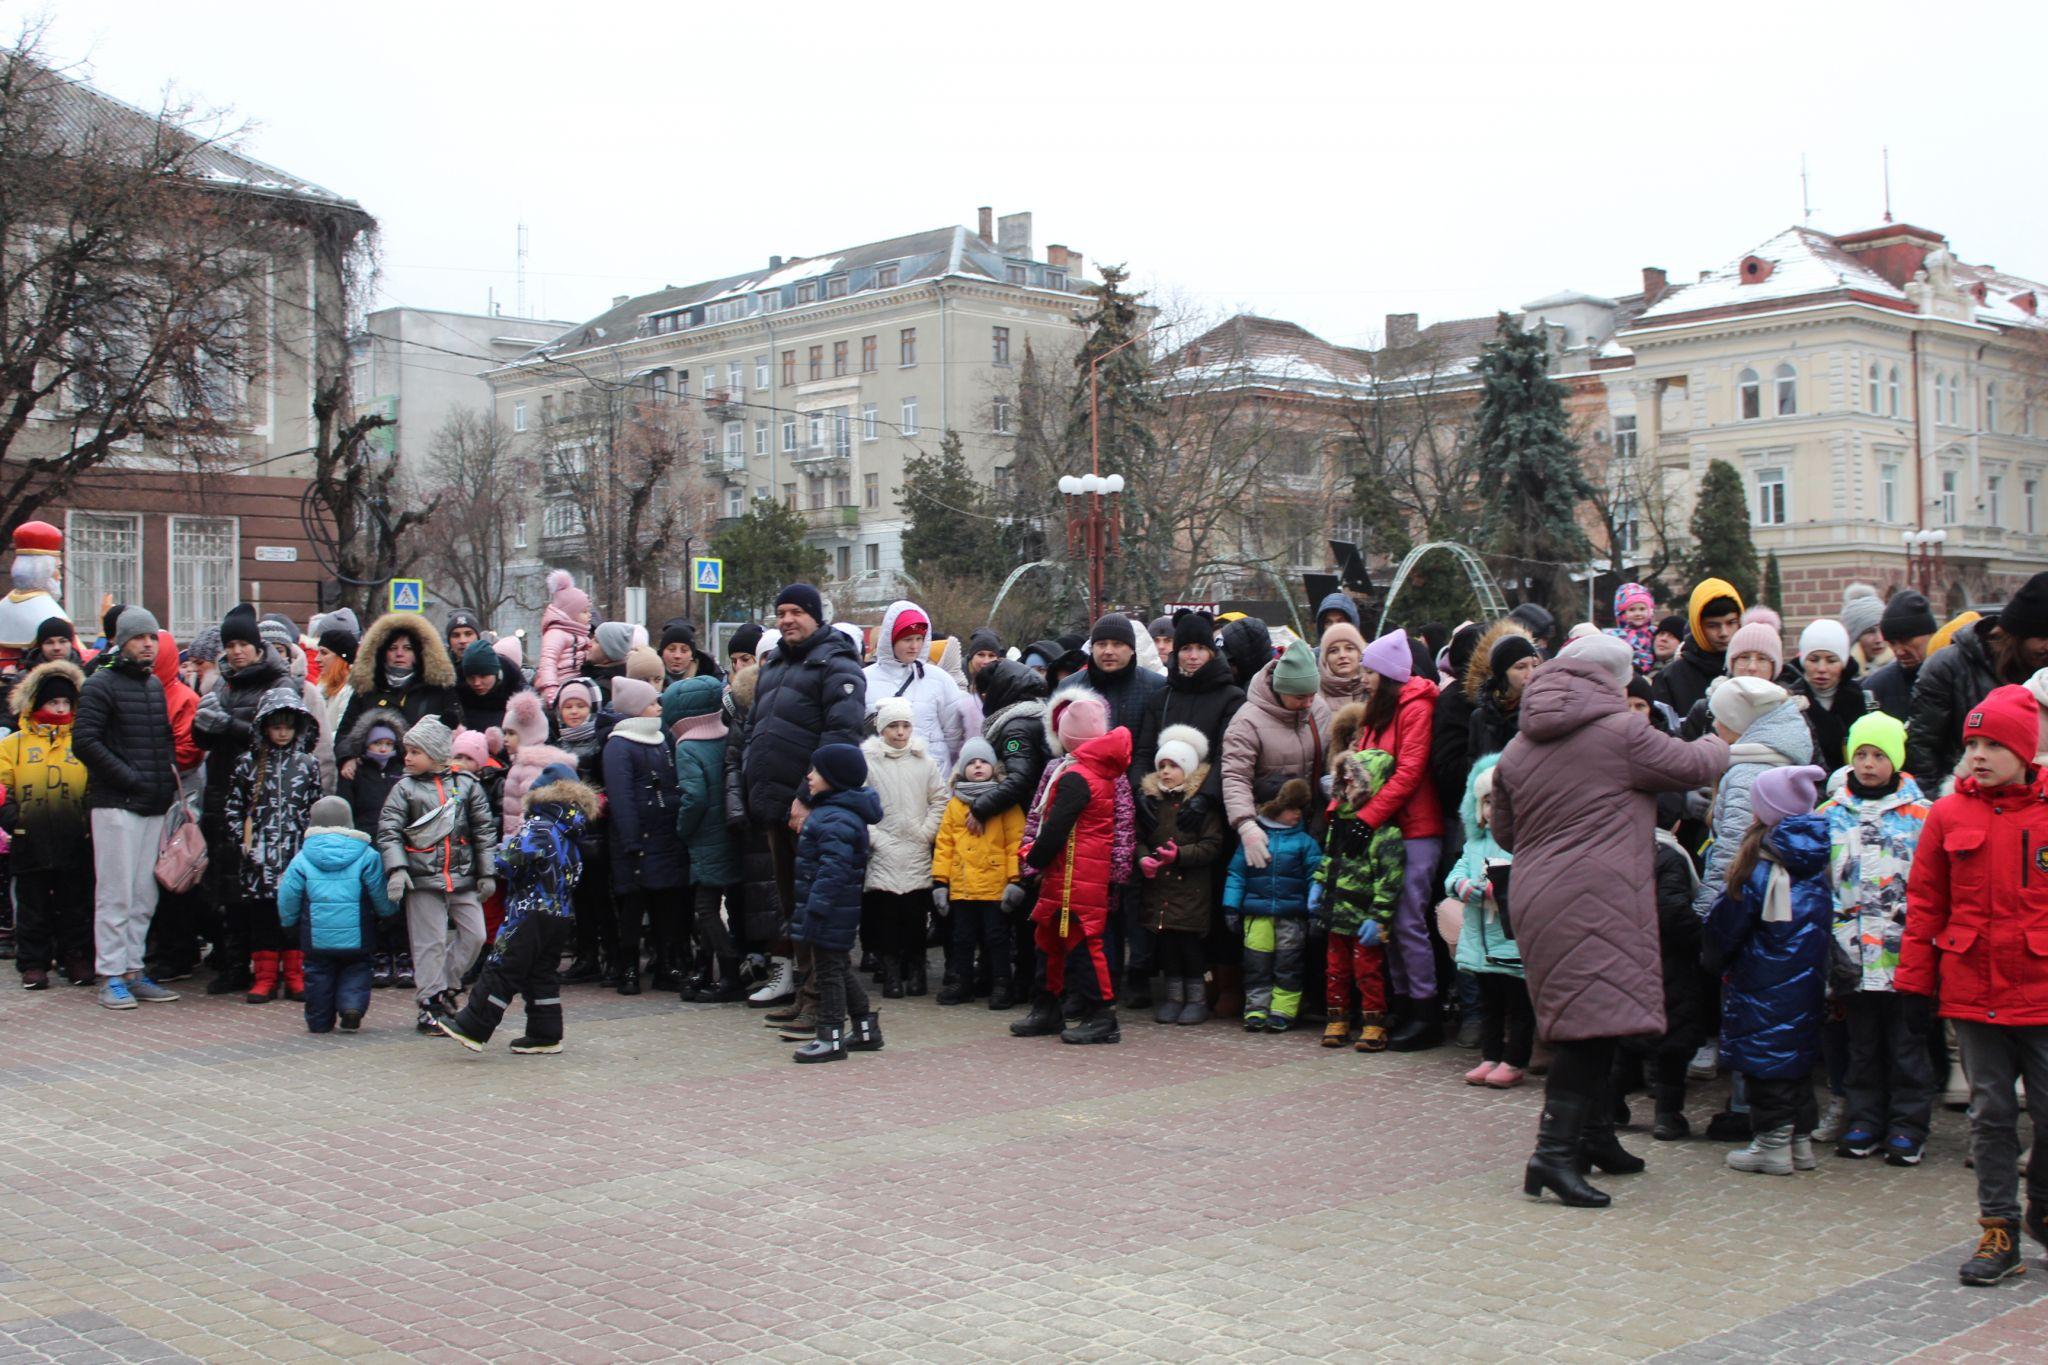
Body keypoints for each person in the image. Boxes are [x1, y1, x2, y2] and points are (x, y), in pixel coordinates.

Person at [1492, 633, 1730, 1209]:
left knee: (1593, 1020)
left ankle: (1594, 1138)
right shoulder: (1622, 733)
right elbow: (1693, 764)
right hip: (1595, 896)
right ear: (1613, 680)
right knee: (1588, 1033)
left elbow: (1504, 832)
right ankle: (1552, 1157)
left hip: (1537, 894)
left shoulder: (1518, 747)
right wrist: (1731, 735)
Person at [1895, 685, 2048, 1284]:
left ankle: (2042, 1206)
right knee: (1991, 1114)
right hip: (1974, 991)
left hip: (2040, 989)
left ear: (2025, 750)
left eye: (1992, 744)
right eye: (1971, 743)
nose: (1978, 755)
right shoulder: (1949, 815)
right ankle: (1998, 1230)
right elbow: (1926, 902)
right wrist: (1913, 984)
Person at [742, 585, 867, 1030]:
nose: (787, 619)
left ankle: (822, 1001)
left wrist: (807, 797)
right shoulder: (774, 662)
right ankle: (805, 990)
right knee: (793, 906)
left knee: (818, 907)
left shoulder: (837, 663)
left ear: (816, 616)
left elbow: (840, 736)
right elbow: (756, 727)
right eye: (781, 612)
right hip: (775, 805)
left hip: (811, 808)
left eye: (796, 611)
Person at [1706, 764, 1832, 1177]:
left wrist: (1711, 955)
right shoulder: (1812, 865)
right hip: (1807, 980)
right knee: (1795, 1058)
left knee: (1766, 1060)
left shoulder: (1762, 868)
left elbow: (1728, 925)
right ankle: (1798, 1142)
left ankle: (1772, 1144)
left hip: (1763, 980)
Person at [1819, 712, 1933, 1163]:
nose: (1868, 764)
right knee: (1861, 1045)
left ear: (1897, 759)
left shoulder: (1923, 815)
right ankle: (1864, 1119)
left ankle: (1908, 1125)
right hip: (1850, 955)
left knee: (1907, 1045)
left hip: (1903, 953)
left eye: (1879, 755)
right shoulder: (1829, 815)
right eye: (1860, 754)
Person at [438, 763, 596, 1055]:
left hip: (530, 910)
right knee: (541, 972)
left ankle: (473, 1025)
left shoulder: (539, 827)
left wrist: (496, 853)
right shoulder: (572, 833)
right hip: (560, 913)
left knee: (503, 967)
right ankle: (545, 1033)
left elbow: (512, 861)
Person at [1337, 629, 1445, 1049]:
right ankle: (1403, 1004)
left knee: (1406, 920)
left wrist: (1367, 817)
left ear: (1387, 673)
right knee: (1388, 922)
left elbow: (1409, 771)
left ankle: (1425, 1010)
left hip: (1416, 827)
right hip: (1384, 826)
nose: (1363, 678)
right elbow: (1358, 768)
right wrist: (1342, 814)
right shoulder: (1376, 712)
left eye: (1369, 671)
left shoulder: (1416, 707)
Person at [73, 607, 181, 1011]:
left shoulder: (153, 686)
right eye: (140, 638)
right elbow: (84, 742)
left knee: (142, 893)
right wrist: (130, 777)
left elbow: (163, 740)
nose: (148, 644)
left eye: (152, 637)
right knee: (115, 893)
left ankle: (133, 969)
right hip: (116, 803)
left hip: (151, 803)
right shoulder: (101, 684)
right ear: (122, 641)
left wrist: (163, 782)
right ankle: (111, 975)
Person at [1009, 710, 1133, 1046]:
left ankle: (1102, 1014)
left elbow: (1055, 830)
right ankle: (1047, 1005)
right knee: (1049, 940)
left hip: (1076, 875)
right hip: (1071, 872)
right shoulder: (1094, 771)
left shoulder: (1077, 776)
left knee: (1085, 944)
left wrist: (1031, 858)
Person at [377, 715, 498, 1033]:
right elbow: (389, 832)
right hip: (422, 879)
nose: (407, 758)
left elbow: (483, 832)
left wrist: (487, 873)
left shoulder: (467, 785)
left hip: (462, 876)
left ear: (434, 753)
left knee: (476, 935)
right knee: (428, 942)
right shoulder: (404, 789)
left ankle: (446, 985)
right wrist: (398, 870)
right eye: (407, 751)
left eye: (415, 751)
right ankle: (430, 1002)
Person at [192, 603, 289, 994]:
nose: (236, 652)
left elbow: (279, 735)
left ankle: (268, 964)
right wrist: (202, 727)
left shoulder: (278, 683)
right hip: (222, 792)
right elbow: (206, 742)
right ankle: (233, 962)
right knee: (226, 884)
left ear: (257, 645)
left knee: (261, 886)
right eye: (230, 644)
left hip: (264, 796)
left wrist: (227, 724)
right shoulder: (222, 683)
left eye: (243, 644)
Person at [223, 687, 323, 1005]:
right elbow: (233, 808)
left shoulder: (308, 764)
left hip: (296, 857)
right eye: (276, 726)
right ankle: (264, 978)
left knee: (293, 920)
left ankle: (295, 977)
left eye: (288, 726)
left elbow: (315, 808)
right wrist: (243, 843)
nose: (282, 732)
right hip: (258, 860)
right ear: (264, 727)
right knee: (263, 920)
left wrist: (312, 846)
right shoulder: (246, 764)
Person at [789, 743, 885, 1063]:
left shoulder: (834, 818)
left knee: (828, 971)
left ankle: (830, 1035)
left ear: (835, 777)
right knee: (837, 967)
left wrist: (816, 908)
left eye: (816, 771)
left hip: (830, 909)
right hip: (832, 907)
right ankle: (865, 1028)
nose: (809, 776)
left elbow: (834, 870)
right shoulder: (834, 813)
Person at [1908, 572, 2048, 787]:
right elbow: (1923, 748)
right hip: (1965, 795)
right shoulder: (1948, 666)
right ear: (2017, 635)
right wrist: (1937, 806)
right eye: (2042, 637)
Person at [277, 796, 398, 1034]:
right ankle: (351, 1006)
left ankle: (319, 1021)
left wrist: (288, 922)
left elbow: (288, 895)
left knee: (317, 974)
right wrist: (388, 913)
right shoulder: (367, 856)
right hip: (358, 932)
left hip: (316, 935)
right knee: (357, 968)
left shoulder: (302, 858)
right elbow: (378, 891)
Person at [1, 660, 89, 989]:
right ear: (38, 704)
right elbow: (0, 787)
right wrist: (14, 820)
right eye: (53, 702)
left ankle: (76, 956)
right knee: (32, 905)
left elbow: (94, 782)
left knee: (74, 903)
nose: (60, 708)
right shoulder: (14, 744)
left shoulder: (80, 741)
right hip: (30, 835)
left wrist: (86, 820)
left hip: (72, 834)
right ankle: (33, 963)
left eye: (66, 703)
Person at [1442, 756, 1528, 1085]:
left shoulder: (1523, 844)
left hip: (1511, 939)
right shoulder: (1475, 843)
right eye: (1488, 802)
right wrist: (1467, 887)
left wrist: (1502, 887)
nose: (1494, 810)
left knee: (1519, 1005)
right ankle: (1490, 1056)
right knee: (1489, 1003)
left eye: (1501, 803)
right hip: (1481, 940)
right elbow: (1455, 876)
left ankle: (1515, 1060)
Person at [1696, 676, 1812, 919]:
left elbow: (1731, 852)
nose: (1716, 724)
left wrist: (1705, 911)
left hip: (1741, 904)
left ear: (1741, 724)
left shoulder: (1747, 775)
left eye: (1723, 718)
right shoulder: (1772, 761)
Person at [1136, 725, 1225, 1026]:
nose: (1165, 772)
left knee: (1190, 947)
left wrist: (1181, 856)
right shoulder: (1152, 803)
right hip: (1160, 889)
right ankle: (1173, 997)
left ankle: (1197, 998)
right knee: (1167, 947)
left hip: (1191, 890)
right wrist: (1144, 858)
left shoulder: (1199, 806)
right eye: (1161, 765)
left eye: (1173, 765)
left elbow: (1212, 845)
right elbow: (1139, 838)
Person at [1317, 747, 1405, 1051]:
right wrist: (1318, 885)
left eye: (1355, 779)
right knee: (1335, 969)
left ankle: (1373, 1023)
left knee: (1367, 970)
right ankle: (1337, 1018)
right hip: (1336, 912)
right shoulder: (1338, 823)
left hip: (1364, 914)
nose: (1348, 784)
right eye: (1345, 779)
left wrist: (1379, 917)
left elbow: (1389, 880)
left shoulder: (1385, 832)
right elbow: (1328, 859)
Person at [601, 676, 684, 996]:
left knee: (665, 906)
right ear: (637, 710)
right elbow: (622, 797)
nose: (658, 707)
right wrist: (631, 840)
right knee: (632, 909)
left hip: (662, 837)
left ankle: (666, 965)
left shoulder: (660, 740)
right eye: (652, 703)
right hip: (635, 842)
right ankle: (629, 969)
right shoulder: (619, 745)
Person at [860, 696, 947, 998]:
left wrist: (926, 832)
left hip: (916, 846)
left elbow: (939, 799)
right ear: (882, 729)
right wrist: (874, 836)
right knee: (887, 915)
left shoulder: (925, 762)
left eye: (905, 726)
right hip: (883, 847)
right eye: (893, 726)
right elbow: (859, 802)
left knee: (915, 914)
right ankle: (892, 971)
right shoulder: (869, 763)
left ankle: (917, 969)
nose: (900, 732)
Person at [666, 676, 744, 1002]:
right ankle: (711, 971)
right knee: (729, 904)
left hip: (705, 838)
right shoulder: (726, 736)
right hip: (732, 832)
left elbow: (694, 797)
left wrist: (683, 829)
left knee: (706, 908)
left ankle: (729, 973)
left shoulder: (688, 747)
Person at [1222, 777, 1321, 1033]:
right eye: (1292, 808)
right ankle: (1256, 1008)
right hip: (1257, 915)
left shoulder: (1304, 843)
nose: (1297, 814)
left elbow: (1316, 877)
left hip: (1292, 916)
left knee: (1288, 965)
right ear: (1275, 809)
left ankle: (1283, 1010)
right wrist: (1231, 907)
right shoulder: (1254, 839)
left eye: (1300, 809)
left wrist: (1314, 910)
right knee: (1256, 964)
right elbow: (1237, 874)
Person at [933, 738, 1022, 1009]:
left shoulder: (1005, 802)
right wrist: (940, 882)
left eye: (983, 761)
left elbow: (1015, 842)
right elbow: (944, 845)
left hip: (995, 885)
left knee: (997, 939)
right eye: (971, 763)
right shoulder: (955, 805)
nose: (978, 766)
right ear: (962, 770)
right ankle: (962, 981)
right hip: (963, 886)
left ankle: (1001, 983)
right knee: (962, 938)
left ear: (994, 767)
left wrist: (1015, 880)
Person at [1130, 611, 1245, 801]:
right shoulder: (1161, 698)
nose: (1193, 656)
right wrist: (1140, 791)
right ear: (1177, 652)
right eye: (1186, 648)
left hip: (1210, 806)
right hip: (1162, 800)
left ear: (1211, 652)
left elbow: (1226, 756)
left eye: (1200, 648)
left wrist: (1206, 796)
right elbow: (1144, 753)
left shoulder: (1232, 698)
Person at [338, 708, 411, 990]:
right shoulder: (356, 772)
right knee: (373, 903)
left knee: (400, 903)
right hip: (367, 844)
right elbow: (346, 808)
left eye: (388, 744)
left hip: (398, 845)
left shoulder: (402, 772)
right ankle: (379, 954)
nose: (383, 749)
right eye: (377, 743)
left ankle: (403, 955)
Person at [335, 613, 460, 775]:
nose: (399, 654)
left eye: (407, 648)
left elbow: (454, 731)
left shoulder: (438, 689)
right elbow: (345, 732)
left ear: (420, 653)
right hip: (374, 778)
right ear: (381, 652)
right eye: (393, 648)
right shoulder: (368, 689)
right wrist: (347, 757)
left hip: (424, 778)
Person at [865, 600, 965, 776]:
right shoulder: (864, 679)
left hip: (934, 780)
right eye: (907, 639)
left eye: (919, 639)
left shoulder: (939, 678)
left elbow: (954, 732)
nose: (914, 646)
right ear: (891, 639)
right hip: (883, 778)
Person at [1653, 578, 1745, 716]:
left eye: (1731, 622)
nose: (1723, 633)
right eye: (1712, 625)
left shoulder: (1754, 668)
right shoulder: (1670, 679)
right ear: (1697, 627)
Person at [1790, 618, 1867, 773]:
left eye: (1831, 660)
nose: (1822, 668)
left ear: (1844, 663)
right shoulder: (1790, 699)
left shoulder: (1858, 698)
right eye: (1814, 659)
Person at [1466, 627, 1540, 762]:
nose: (1531, 673)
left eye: (1535, 665)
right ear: (1502, 673)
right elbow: (1474, 765)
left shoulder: (1540, 711)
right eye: (1521, 667)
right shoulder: (1481, 717)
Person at [1863, 590, 1937, 721]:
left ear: (1930, 634)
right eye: (1892, 642)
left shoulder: (1956, 677)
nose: (1899, 651)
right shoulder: (1875, 688)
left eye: (1905, 640)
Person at [535, 570, 592, 705]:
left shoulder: (579, 634)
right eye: (584, 612)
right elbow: (548, 661)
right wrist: (550, 687)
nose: (589, 615)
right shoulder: (556, 633)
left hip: (573, 684)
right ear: (571, 613)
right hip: (559, 686)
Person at [456, 638, 527, 734]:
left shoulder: (522, 699)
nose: (476, 683)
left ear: (496, 673)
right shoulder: (456, 698)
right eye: (471, 677)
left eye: (483, 676)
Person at [1606, 583, 1657, 676]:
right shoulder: (1615, 636)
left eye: (1642, 609)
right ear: (1622, 613)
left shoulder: (1654, 632)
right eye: (1632, 610)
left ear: (1650, 610)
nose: (1638, 613)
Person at [1841, 583, 1891, 675]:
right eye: (1870, 631)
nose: (1879, 639)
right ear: (1854, 637)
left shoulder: (1900, 671)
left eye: (1882, 629)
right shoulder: (1840, 675)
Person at [658, 619, 722, 685]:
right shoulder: (649, 670)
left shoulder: (711, 673)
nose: (677, 656)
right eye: (671, 650)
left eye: (684, 651)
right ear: (662, 652)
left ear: (692, 655)